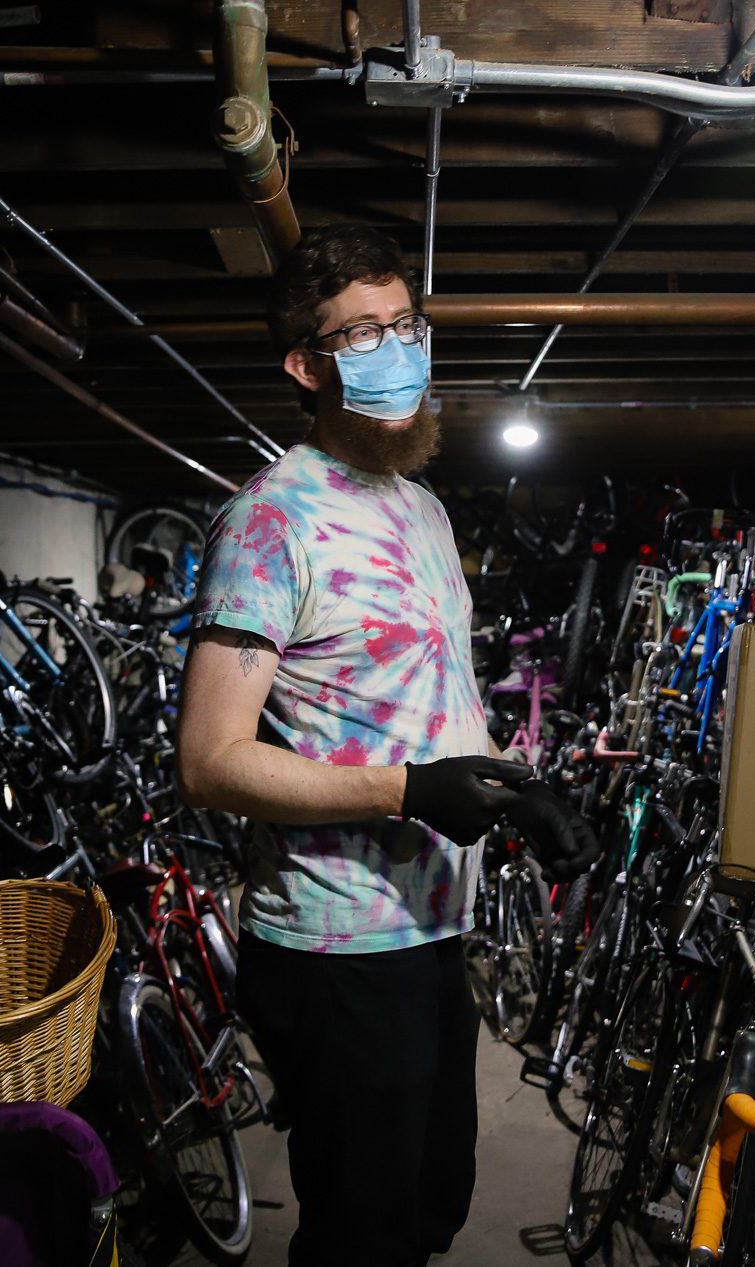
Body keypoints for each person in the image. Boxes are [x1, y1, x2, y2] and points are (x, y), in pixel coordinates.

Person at [176, 224, 600, 1267]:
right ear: (306, 366)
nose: (395, 347)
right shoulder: (272, 521)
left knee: (429, 1205)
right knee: (361, 1233)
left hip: (428, 932)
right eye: (358, 333)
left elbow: (434, 703)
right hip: (334, 948)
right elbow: (209, 761)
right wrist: (405, 790)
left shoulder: (421, 509)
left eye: (404, 322)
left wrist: (517, 787)